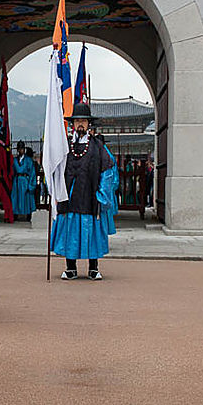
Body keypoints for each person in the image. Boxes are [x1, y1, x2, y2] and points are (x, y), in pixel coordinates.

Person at [51, 103, 116, 280]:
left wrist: (102, 195)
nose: (80, 124)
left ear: (89, 124)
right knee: (70, 231)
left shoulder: (97, 146)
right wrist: (56, 190)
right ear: (73, 124)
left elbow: (107, 171)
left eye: (84, 121)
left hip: (89, 196)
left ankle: (93, 268)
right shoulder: (64, 146)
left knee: (91, 232)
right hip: (69, 196)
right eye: (77, 121)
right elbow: (55, 169)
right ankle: (70, 268)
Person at [96, 135, 119, 236]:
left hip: (105, 185)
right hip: (108, 185)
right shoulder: (106, 153)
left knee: (105, 208)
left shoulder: (103, 153)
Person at [11, 140, 37, 221]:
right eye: (19, 149)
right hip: (17, 180)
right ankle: (15, 214)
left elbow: (32, 173)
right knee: (16, 197)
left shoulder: (28, 160)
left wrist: (31, 184)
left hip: (25, 180)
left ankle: (28, 214)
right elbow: (12, 171)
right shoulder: (15, 160)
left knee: (27, 197)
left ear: (24, 149)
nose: (20, 150)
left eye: (22, 149)